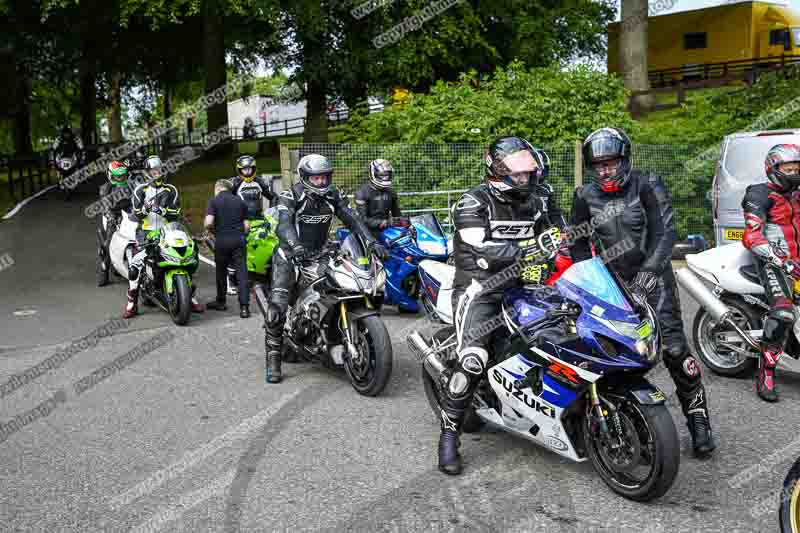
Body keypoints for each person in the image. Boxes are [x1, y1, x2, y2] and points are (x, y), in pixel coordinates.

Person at [570, 127, 716, 456]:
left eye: (612, 163)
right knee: (614, 351)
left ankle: (698, 419)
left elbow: (665, 232)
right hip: (613, 285)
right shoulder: (584, 196)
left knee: (675, 351)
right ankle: (624, 418)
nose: (607, 171)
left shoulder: (646, 183)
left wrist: (650, 273)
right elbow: (577, 243)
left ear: (625, 160)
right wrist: (587, 282)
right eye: (600, 166)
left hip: (654, 280)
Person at [437, 136, 566, 475]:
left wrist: (566, 248)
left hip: (524, 283)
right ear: (497, 171)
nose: (525, 180)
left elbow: (558, 232)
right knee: (473, 360)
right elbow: (480, 249)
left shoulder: (539, 198)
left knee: (560, 332)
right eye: (518, 175)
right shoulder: (471, 203)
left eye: (528, 174)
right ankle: (449, 434)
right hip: (480, 289)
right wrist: (528, 253)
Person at [258, 153, 389, 384]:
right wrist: (295, 246)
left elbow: (353, 219)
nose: (322, 182)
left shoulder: (332, 194)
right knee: (275, 310)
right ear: (305, 177)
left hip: (319, 254)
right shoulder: (291, 196)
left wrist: (371, 242)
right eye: (316, 178)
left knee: (338, 290)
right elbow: (283, 225)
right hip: (289, 255)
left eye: (325, 177)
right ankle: (274, 360)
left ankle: (333, 336)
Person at [741, 144, 800, 402]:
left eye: (798, 168)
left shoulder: (797, 195)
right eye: (789, 168)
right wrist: (781, 260)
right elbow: (751, 235)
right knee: (784, 312)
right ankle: (766, 371)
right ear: (773, 169)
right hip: (773, 262)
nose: (795, 173)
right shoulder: (759, 194)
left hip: (796, 261)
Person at [123, 155, 204, 318]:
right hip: (146, 232)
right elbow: (136, 213)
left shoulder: (171, 190)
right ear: (147, 173)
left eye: (159, 171)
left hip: (168, 230)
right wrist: (145, 209)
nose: (157, 174)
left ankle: (189, 294)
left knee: (189, 254)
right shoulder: (141, 190)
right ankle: (132, 301)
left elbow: (177, 212)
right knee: (135, 265)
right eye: (153, 172)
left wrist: (164, 211)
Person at [225, 155, 275, 296]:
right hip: (241, 220)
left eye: (250, 169)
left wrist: (282, 204)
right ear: (239, 170)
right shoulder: (234, 183)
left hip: (259, 219)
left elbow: (273, 196)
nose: (247, 172)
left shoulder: (260, 182)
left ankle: (263, 275)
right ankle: (231, 281)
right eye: (244, 170)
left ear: (254, 169)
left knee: (268, 243)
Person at [205, 179, 251, 318]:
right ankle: (244, 308)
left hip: (222, 240)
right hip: (239, 240)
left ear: (218, 188)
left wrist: (213, 231)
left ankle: (221, 302)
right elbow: (247, 226)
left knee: (221, 271)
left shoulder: (214, 201)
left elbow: (208, 222)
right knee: (242, 273)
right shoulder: (240, 201)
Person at [354, 159, 405, 238]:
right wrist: (385, 222)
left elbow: (397, 214)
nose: (385, 177)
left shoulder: (391, 192)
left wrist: (404, 222)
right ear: (373, 173)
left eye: (387, 174)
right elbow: (362, 220)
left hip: (387, 231)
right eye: (382, 175)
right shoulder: (362, 192)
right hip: (367, 233)